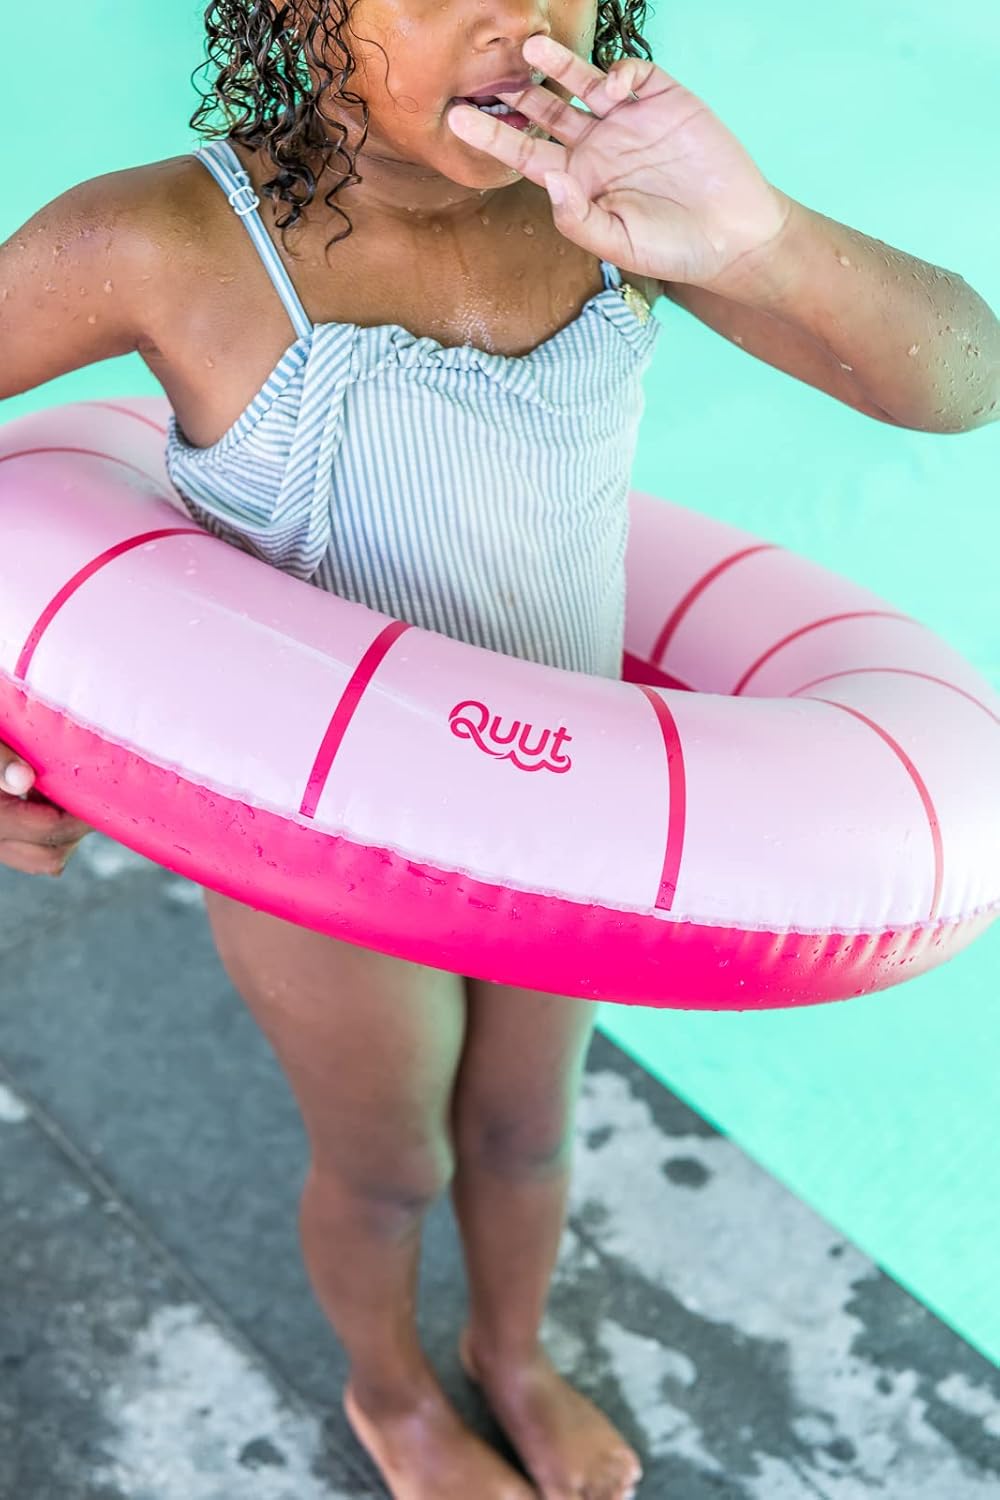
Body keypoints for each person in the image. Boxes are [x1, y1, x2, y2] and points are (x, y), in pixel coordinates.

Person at [1, 6, 996, 1498]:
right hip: (328, 860)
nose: (516, 13)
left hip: (571, 819)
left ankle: (514, 1355)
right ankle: (393, 1394)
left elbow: (960, 379)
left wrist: (755, 235)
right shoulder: (167, 241)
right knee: (390, 1165)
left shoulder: (616, 210)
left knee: (530, 1132)